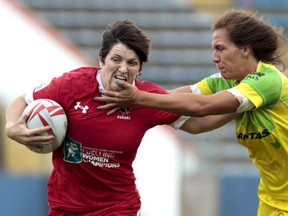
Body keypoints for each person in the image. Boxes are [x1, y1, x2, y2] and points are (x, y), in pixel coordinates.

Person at [5, 19, 233, 216]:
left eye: (132, 63)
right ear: (102, 59)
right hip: (66, 205)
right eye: (116, 59)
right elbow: (23, 100)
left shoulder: (146, 98)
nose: (123, 68)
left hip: (117, 206)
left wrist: (244, 102)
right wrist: (12, 127)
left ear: (139, 69)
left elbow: (198, 123)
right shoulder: (72, 85)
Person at [94, 10, 288, 216]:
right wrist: (126, 100)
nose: (215, 57)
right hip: (272, 201)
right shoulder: (227, 81)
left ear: (245, 49)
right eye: (214, 49)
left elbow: (202, 107)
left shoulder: (268, 81)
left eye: (220, 49)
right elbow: (183, 109)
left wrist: (138, 98)